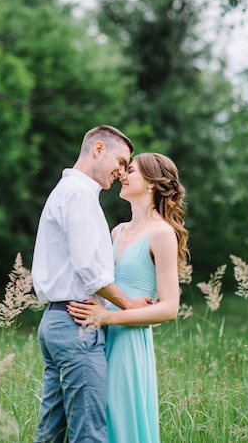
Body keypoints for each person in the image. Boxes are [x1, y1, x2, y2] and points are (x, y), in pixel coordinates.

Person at [31, 126, 152, 443]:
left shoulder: (65, 190)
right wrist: (131, 306)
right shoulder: (80, 195)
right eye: (122, 161)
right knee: (89, 434)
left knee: (51, 432)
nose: (122, 172)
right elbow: (91, 271)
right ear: (99, 148)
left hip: (55, 321)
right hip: (76, 325)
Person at [68, 152, 189, 443]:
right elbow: (106, 284)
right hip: (100, 337)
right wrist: (101, 305)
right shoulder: (118, 231)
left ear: (151, 183)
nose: (122, 174)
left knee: (120, 422)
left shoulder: (162, 234)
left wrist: (109, 316)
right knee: (96, 422)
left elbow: (170, 308)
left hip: (128, 342)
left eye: (130, 170)